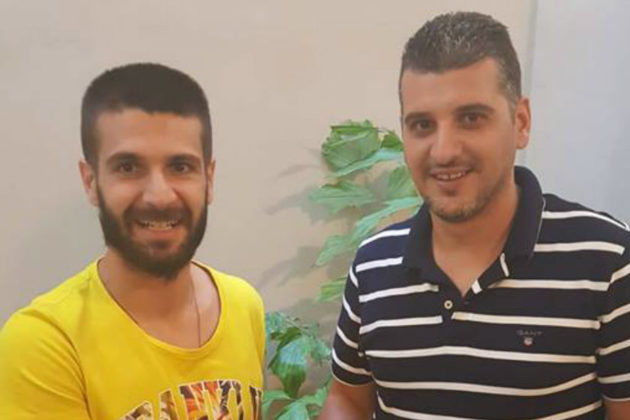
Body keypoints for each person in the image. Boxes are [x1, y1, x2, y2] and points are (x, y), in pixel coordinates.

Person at [319, 11, 630, 420]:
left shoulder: (607, 261)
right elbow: (347, 398)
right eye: (422, 125)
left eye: (470, 118)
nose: (444, 151)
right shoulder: (373, 266)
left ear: (521, 122)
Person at [0, 63, 265, 420]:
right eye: (128, 167)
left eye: (181, 167)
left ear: (209, 179)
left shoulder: (243, 305)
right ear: (91, 181)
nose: (159, 196)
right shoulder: (45, 343)